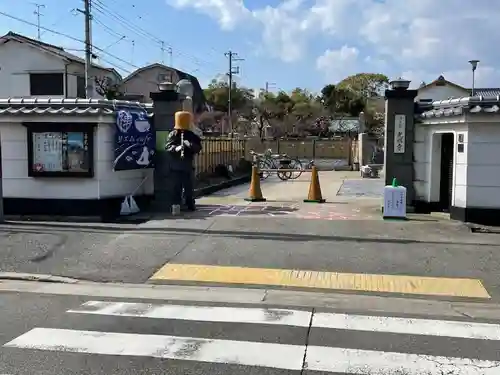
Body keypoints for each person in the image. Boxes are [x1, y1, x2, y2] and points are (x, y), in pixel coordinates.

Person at [165, 111, 202, 211]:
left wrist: (189, 145)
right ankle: (175, 205)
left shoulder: (191, 135)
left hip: (187, 164)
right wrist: (176, 148)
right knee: (175, 187)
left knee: (189, 187)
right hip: (175, 165)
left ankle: (190, 204)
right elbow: (167, 147)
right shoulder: (173, 134)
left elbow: (198, 147)